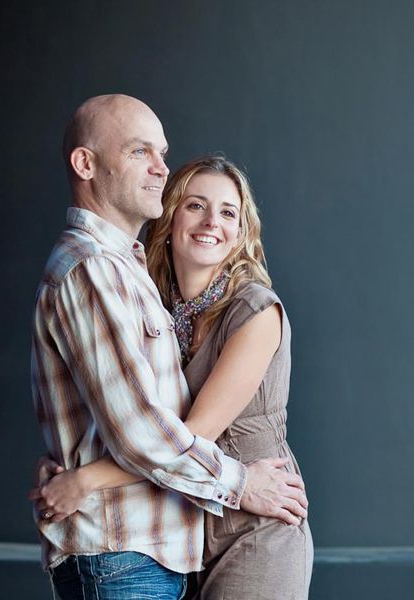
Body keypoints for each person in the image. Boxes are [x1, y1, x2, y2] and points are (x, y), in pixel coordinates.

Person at [30, 94, 308, 600]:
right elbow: (140, 427)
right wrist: (67, 462)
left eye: (229, 212)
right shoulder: (120, 279)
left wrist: (83, 478)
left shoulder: (252, 310)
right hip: (176, 533)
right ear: (173, 215)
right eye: (196, 205)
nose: (211, 223)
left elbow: (180, 430)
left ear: (242, 231)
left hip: (252, 520)